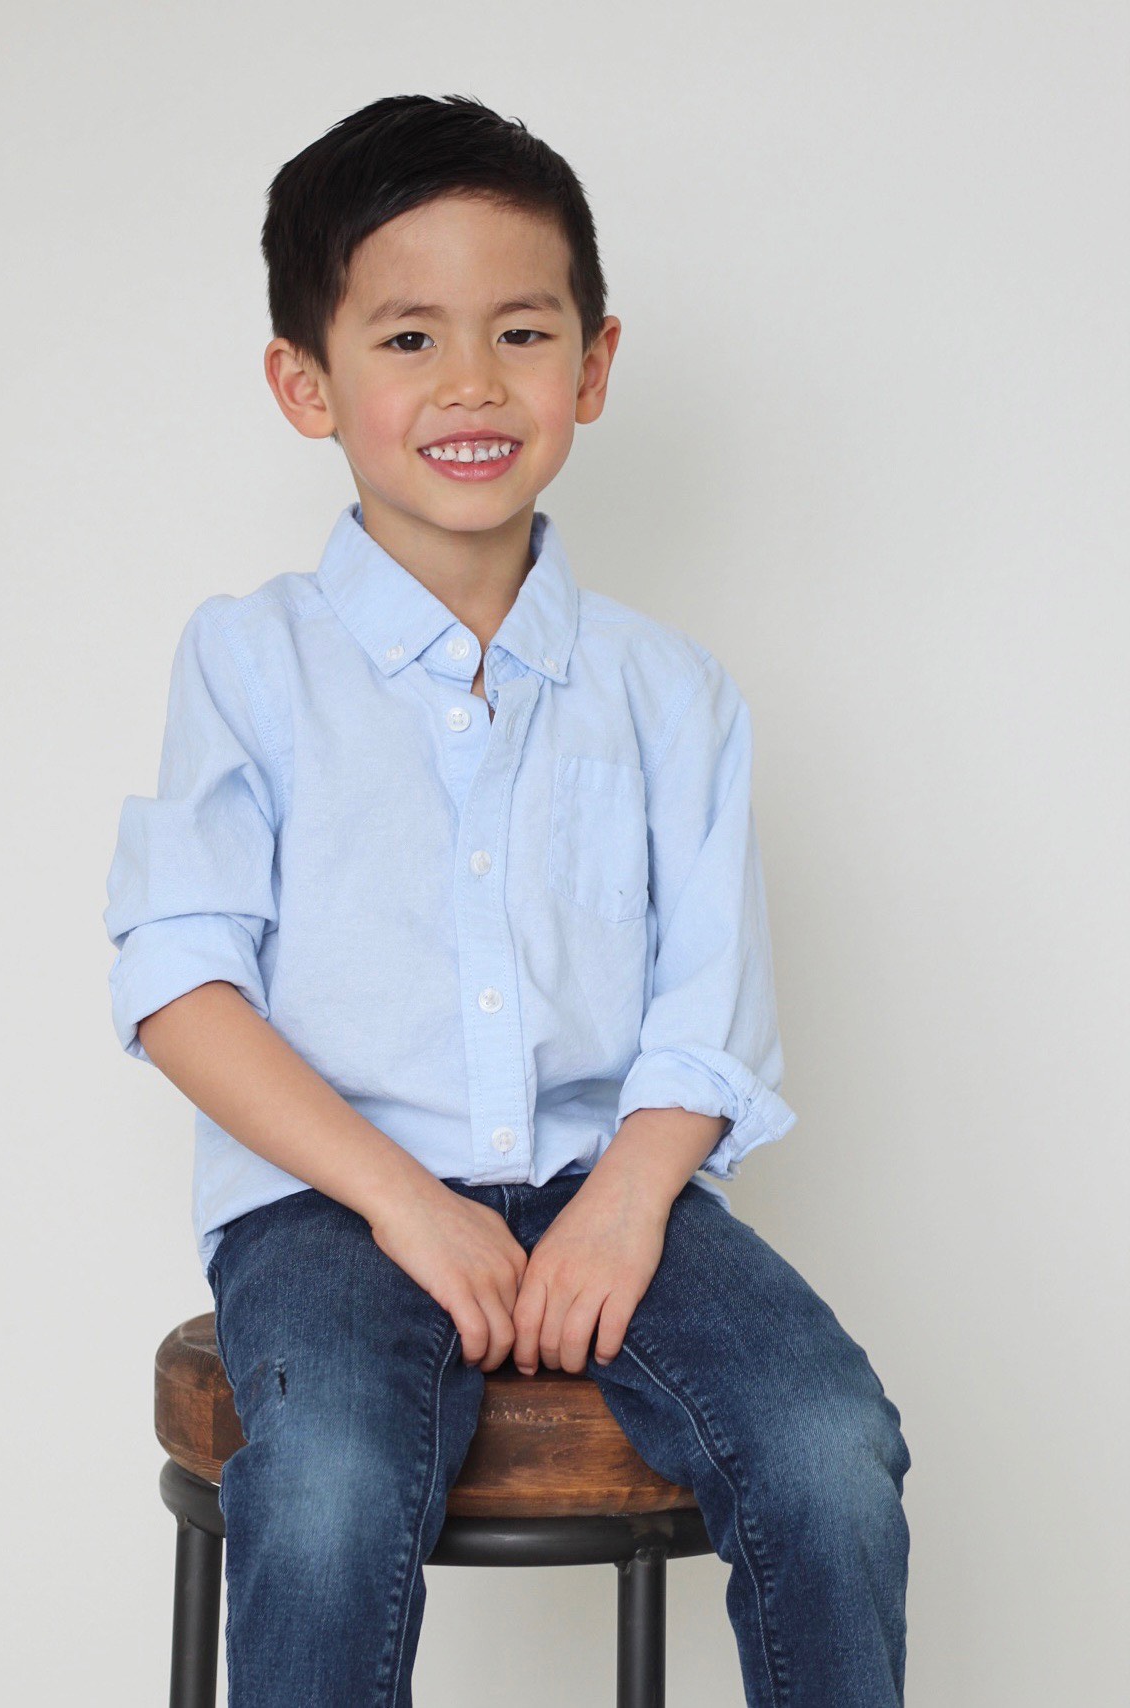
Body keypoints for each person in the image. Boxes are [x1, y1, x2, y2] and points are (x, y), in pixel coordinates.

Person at [103, 92, 911, 1708]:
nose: (471, 382)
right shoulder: (248, 661)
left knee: (831, 1447)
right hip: (332, 1204)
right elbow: (183, 985)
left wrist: (625, 1202)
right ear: (305, 382)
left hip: (609, 1186)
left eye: (521, 332)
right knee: (330, 1481)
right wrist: (407, 1202)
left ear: (592, 366)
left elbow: (709, 1008)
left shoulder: (671, 693)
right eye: (409, 338)